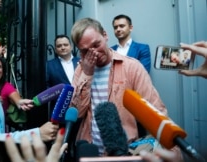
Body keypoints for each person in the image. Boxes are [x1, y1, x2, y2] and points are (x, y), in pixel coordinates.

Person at [69, 17, 183, 161]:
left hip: (124, 153)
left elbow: (156, 111)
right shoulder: (80, 70)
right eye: (85, 51)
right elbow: (77, 113)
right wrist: (86, 73)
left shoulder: (131, 67)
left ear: (105, 35)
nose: (94, 54)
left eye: (96, 44)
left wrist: (173, 151)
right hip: (89, 151)